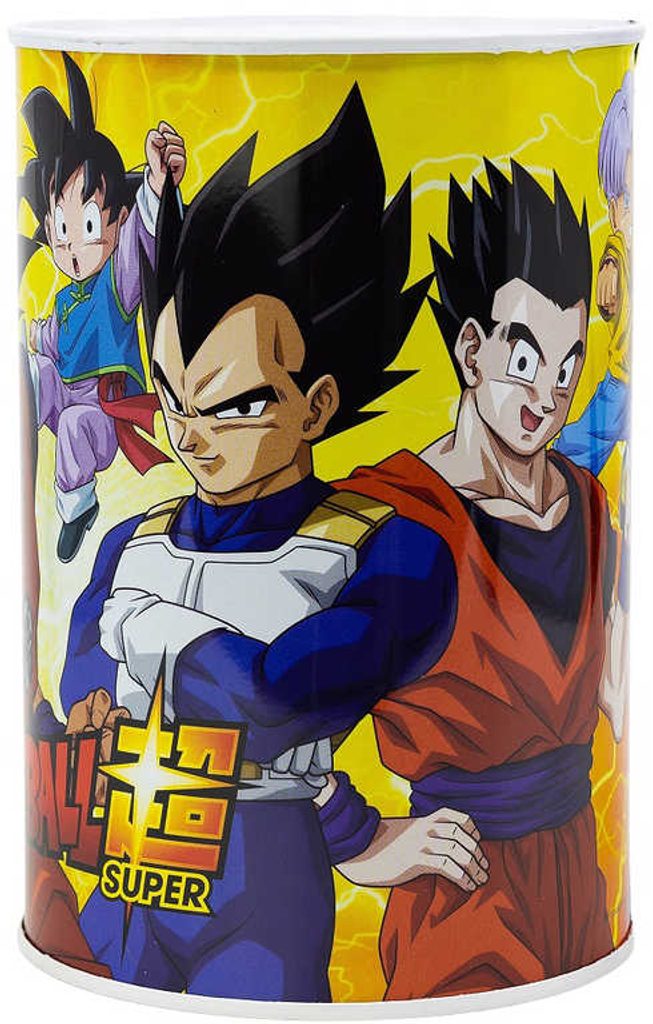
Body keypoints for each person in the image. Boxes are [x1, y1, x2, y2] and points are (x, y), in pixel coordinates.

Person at [58, 86, 484, 1000]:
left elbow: (280, 696)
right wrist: (114, 676)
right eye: (172, 396)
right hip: (128, 856)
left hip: (260, 880)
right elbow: (82, 682)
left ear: (317, 406)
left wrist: (139, 629)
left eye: (235, 404)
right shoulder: (133, 538)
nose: (189, 435)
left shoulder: (388, 552)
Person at [318, 160, 628, 999]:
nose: (548, 395)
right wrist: (360, 839)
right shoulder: (392, 518)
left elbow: (613, 683)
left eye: (566, 366)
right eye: (524, 359)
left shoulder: (588, 503)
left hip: (579, 888)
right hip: (463, 906)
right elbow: (270, 710)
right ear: (469, 350)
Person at [20, 53, 185, 560]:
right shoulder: (65, 296)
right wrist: (29, 339)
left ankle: (78, 506)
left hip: (103, 410)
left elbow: (140, 243)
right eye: (61, 228)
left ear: (117, 220)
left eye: (88, 225)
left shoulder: (117, 280)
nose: (72, 246)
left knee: (73, 427)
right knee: (33, 371)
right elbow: (49, 337)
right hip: (63, 393)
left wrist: (157, 184)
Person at [554, 72, 632, 477]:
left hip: (627, 378)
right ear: (614, 207)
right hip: (621, 376)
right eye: (626, 201)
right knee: (583, 442)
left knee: (588, 443)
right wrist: (609, 273)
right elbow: (607, 285)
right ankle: (562, 480)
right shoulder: (616, 253)